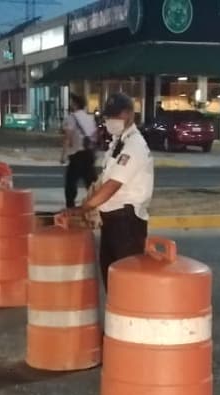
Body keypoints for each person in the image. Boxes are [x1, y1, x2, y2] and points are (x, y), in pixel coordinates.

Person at [62, 93, 153, 290]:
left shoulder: (133, 146)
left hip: (127, 222)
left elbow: (112, 186)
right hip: (111, 220)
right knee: (111, 280)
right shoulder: (117, 142)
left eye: (115, 115)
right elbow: (104, 180)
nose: (110, 120)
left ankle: (130, 319)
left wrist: (84, 208)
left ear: (129, 114)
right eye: (107, 116)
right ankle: (118, 319)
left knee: (126, 283)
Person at [60, 94, 98, 208]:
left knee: (71, 183)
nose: (70, 104)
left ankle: (70, 207)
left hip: (77, 154)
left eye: (71, 102)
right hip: (89, 153)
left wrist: (63, 155)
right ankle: (98, 205)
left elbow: (67, 137)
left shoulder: (72, 117)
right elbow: (95, 136)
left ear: (75, 104)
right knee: (91, 183)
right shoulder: (89, 117)